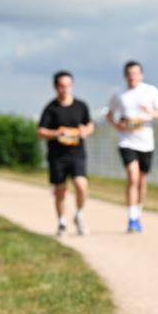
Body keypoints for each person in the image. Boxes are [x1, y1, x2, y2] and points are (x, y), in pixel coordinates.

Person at [106, 60, 158, 232]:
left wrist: (151, 113)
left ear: (141, 75)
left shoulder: (150, 91)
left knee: (141, 180)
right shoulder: (119, 94)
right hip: (126, 141)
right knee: (132, 176)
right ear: (125, 75)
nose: (133, 77)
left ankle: (138, 212)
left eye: (136, 73)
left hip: (146, 142)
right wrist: (117, 125)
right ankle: (132, 217)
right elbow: (109, 114)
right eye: (130, 74)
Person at [37, 70, 95, 236]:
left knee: (81, 185)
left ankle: (79, 214)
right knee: (60, 190)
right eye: (62, 86)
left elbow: (90, 125)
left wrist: (86, 131)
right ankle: (62, 222)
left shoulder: (81, 106)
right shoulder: (51, 108)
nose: (65, 89)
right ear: (56, 87)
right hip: (57, 155)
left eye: (68, 85)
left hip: (77, 153)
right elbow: (41, 131)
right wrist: (56, 133)